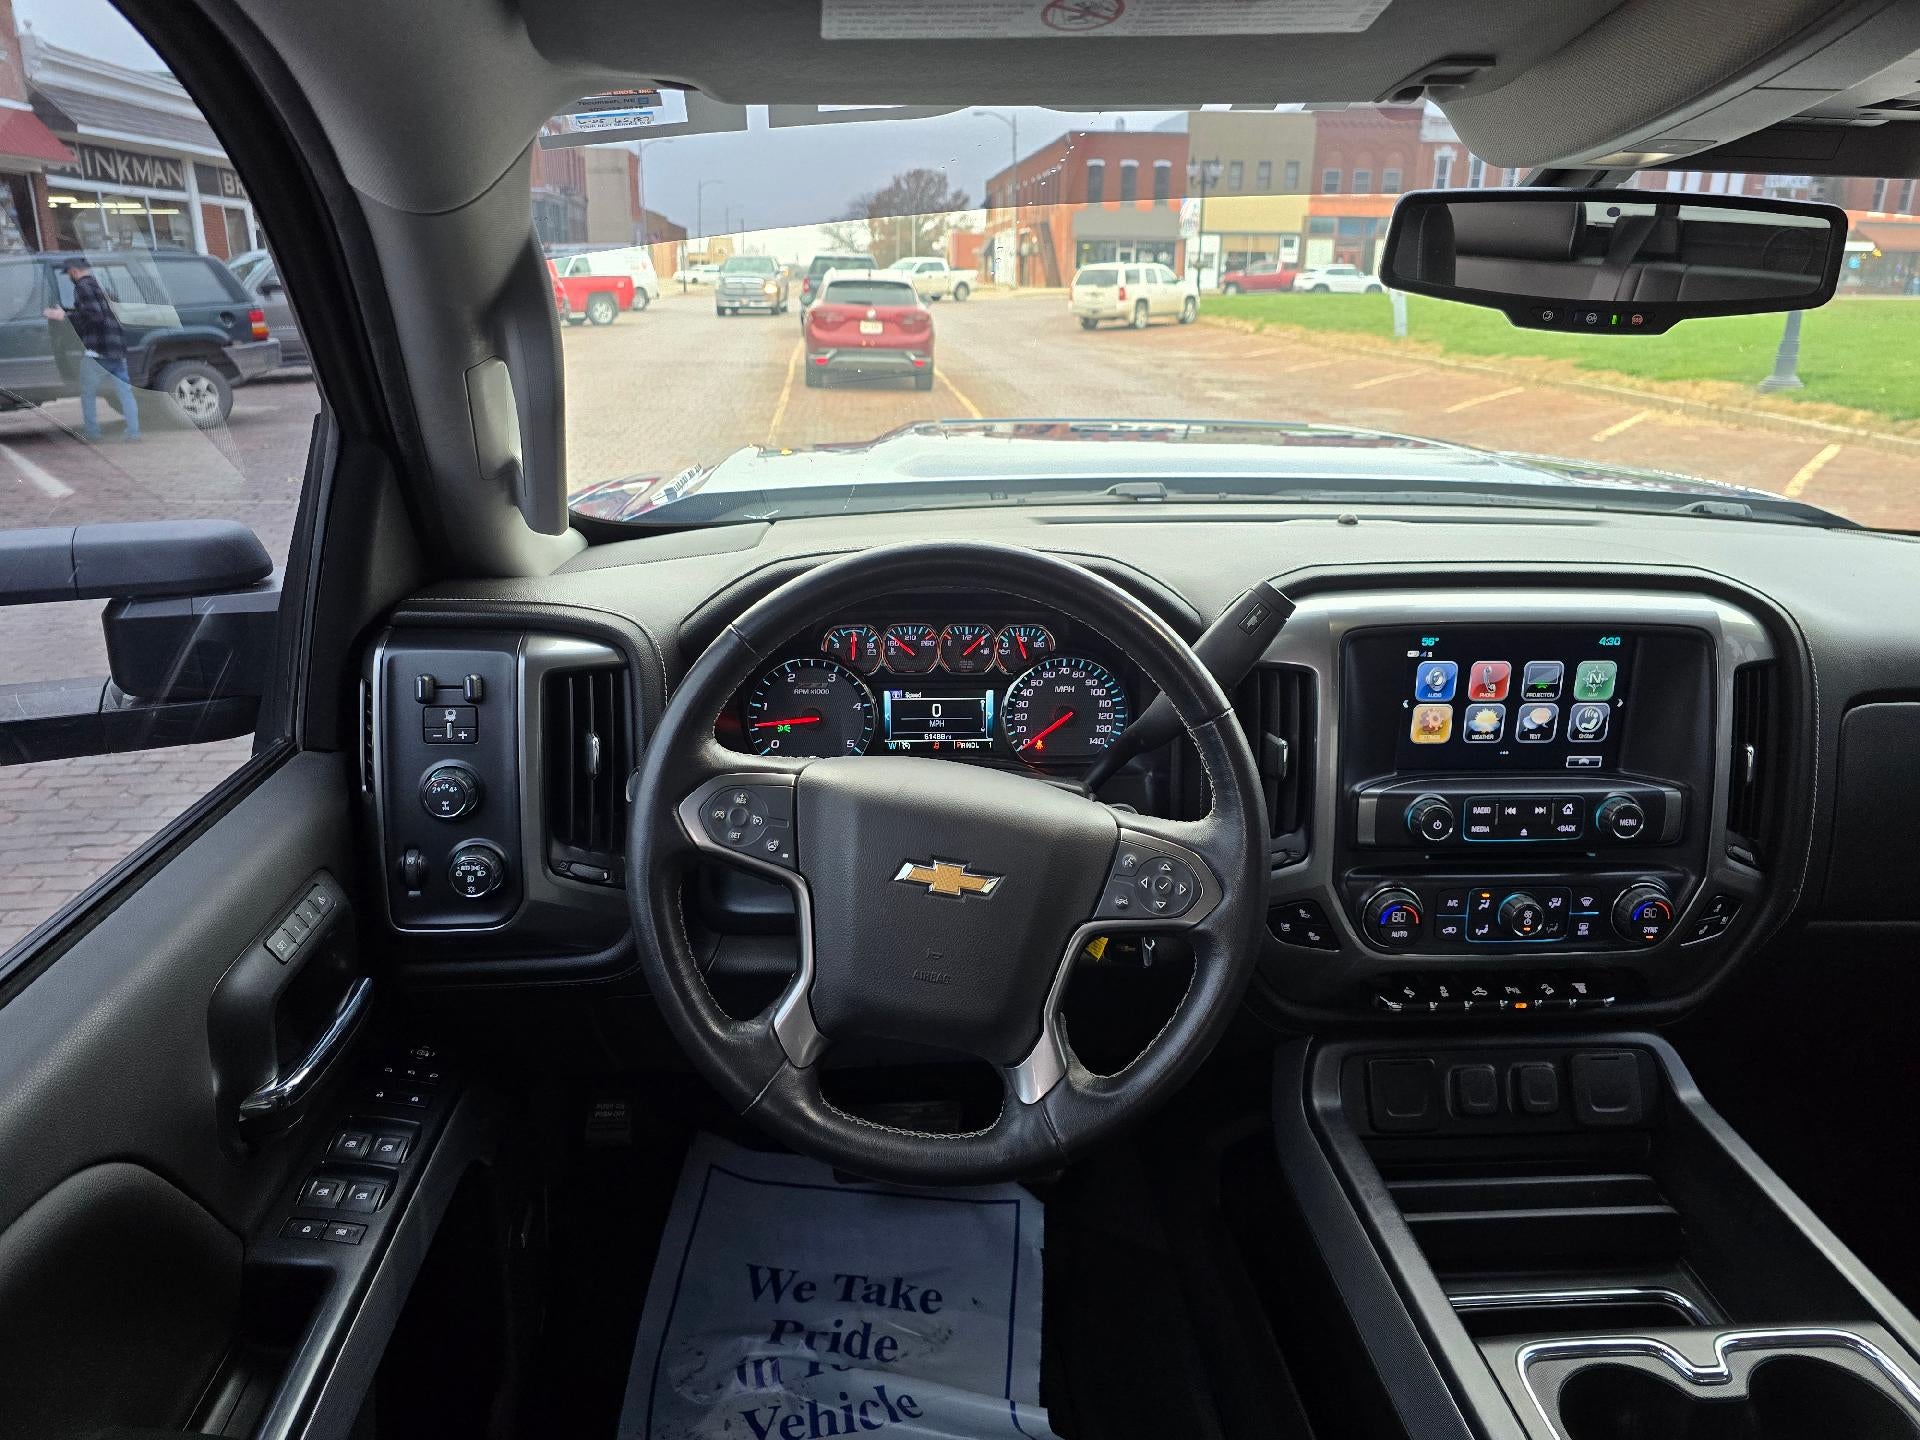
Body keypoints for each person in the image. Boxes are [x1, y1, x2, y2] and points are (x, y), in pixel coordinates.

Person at [42, 259, 141, 442]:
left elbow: (94, 315)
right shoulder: (100, 286)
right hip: (116, 348)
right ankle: (134, 433)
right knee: (125, 393)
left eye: (69, 273)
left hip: (98, 350)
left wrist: (64, 315)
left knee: (88, 393)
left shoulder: (82, 287)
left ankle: (93, 433)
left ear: (73, 271)